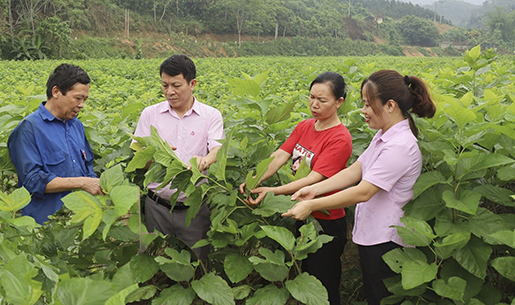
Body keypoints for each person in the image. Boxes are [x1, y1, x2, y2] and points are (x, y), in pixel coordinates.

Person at [282, 70, 436, 305]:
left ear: (390, 105)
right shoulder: (384, 136)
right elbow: (355, 170)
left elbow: (363, 191)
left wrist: (312, 204)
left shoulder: (400, 146)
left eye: (367, 104)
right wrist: (316, 190)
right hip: (373, 234)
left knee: (382, 298)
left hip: (388, 240)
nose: (363, 111)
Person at [240, 71, 352, 305]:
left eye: (322, 100)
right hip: (299, 213)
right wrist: (255, 178)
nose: (314, 104)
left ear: (339, 102)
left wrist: (273, 192)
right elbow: (280, 155)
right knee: (301, 276)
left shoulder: (340, 138)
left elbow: (314, 179)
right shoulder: (305, 126)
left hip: (325, 220)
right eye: (311, 97)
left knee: (323, 283)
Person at [133, 54, 225, 260]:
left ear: (192, 84)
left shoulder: (211, 115)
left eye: (176, 85)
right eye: (164, 85)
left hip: (195, 207)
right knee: (155, 263)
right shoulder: (150, 114)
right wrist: (155, 154)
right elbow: (138, 153)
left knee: (197, 264)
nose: (169, 92)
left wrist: (205, 161)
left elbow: (218, 149)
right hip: (157, 205)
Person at [8, 63, 103, 224]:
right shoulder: (29, 128)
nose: (82, 105)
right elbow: (32, 180)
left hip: (78, 220)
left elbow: (88, 170)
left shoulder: (76, 126)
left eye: (85, 99)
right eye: (78, 98)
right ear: (56, 92)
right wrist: (82, 182)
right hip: (45, 224)